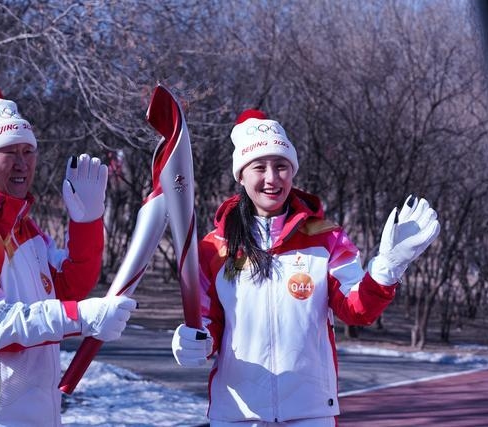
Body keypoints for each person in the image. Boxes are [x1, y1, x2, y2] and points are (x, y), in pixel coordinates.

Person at [171, 109, 440, 426]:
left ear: (293, 171)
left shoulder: (327, 238)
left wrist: (387, 268)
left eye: (281, 166)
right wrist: (191, 341)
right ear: (241, 176)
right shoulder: (214, 248)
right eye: (259, 167)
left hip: (310, 411)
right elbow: (207, 323)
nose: (272, 178)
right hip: (238, 413)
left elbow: (357, 309)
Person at [0, 86, 136, 426]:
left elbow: (70, 285)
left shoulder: (25, 229)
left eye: (27, 151)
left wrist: (87, 222)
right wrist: (83, 317)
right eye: (8, 152)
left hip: (38, 415)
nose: (22, 163)